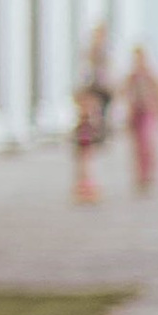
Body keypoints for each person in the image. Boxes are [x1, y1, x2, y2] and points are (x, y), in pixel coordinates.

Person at [71, 28, 112, 205]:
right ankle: (84, 189)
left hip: (90, 136)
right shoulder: (89, 57)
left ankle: (88, 189)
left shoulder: (105, 55)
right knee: (84, 165)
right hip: (85, 138)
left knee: (88, 165)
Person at [122, 45, 158, 194]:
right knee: (137, 145)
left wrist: (156, 104)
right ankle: (140, 175)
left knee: (147, 142)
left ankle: (148, 174)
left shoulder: (149, 74)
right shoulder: (132, 75)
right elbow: (123, 90)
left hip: (148, 111)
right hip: (135, 112)